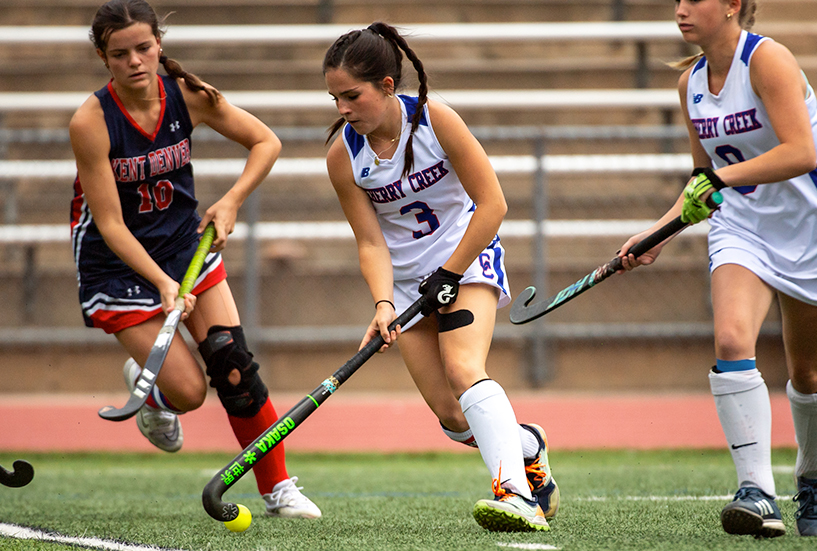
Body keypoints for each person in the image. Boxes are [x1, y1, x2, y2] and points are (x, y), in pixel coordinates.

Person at [69, 0, 320, 519]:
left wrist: (230, 201)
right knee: (188, 393)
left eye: (144, 47)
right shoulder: (90, 122)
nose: (136, 61)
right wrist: (163, 284)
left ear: (159, 44)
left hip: (187, 247)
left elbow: (265, 142)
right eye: (121, 54)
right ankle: (158, 399)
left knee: (233, 366)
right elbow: (111, 224)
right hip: (117, 266)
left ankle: (277, 489)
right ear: (103, 58)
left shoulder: (188, 97)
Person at [618, 0, 817, 538]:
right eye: (676, 0)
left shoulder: (768, 61)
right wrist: (658, 231)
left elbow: (800, 153)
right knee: (730, 340)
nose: (679, 10)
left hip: (811, 229)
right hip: (743, 227)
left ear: (731, 6)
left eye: (692, 0)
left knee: (808, 372)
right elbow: (705, 180)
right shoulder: (690, 85)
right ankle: (757, 491)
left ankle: (813, 474)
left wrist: (722, 182)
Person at [323, 22, 558, 532]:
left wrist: (450, 272)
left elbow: (493, 204)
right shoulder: (343, 156)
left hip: (466, 259)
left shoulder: (435, 121)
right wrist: (384, 303)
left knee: (463, 369)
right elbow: (370, 242)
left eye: (351, 95)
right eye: (335, 97)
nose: (342, 108)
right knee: (452, 417)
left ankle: (514, 493)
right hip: (409, 285)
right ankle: (527, 445)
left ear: (387, 86)